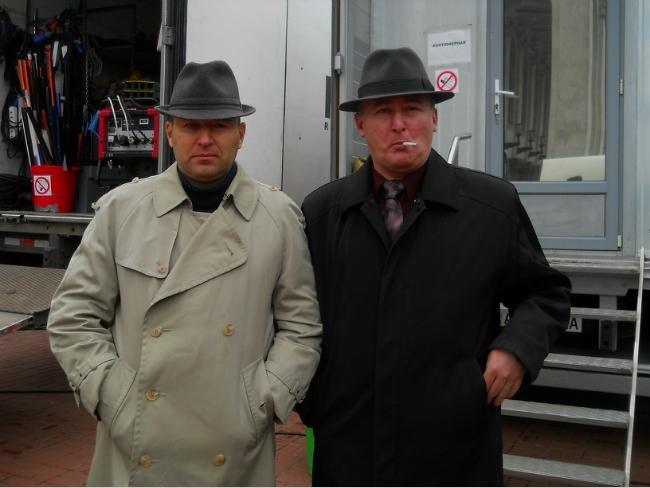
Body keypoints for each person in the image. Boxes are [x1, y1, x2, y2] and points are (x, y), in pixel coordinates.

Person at [297, 47, 571, 486]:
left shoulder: (490, 207)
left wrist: (517, 348)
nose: (399, 124)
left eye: (412, 109)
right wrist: (313, 400)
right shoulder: (322, 213)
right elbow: (295, 314)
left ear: (435, 118)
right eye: (383, 112)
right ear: (360, 125)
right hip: (348, 450)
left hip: (452, 451)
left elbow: (545, 293)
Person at [47, 60, 322, 486]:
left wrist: (261, 402)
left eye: (220, 126)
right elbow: (73, 316)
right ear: (170, 132)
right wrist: (114, 396)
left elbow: (301, 328)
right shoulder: (122, 211)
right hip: (136, 439)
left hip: (233, 449)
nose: (205, 139)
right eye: (192, 126)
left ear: (241, 134)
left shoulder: (279, 219)